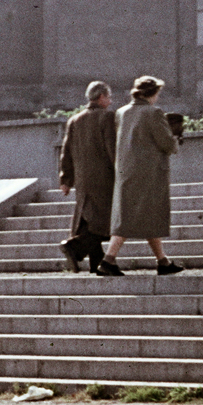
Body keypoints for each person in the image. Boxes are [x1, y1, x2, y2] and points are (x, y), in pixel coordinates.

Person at [99, 75, 184, 277]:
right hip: (148, 173)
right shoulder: (153, 113)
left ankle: (163, 261)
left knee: (144, 215)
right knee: (132, 217)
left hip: (127, 171)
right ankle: (108, 260)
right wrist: (175, 138)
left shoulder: (121, 112)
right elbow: (165, 143)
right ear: (152, 93)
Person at [57, 81, 118, 273]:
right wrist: (122, 173)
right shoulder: (107, 117)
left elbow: (66, 152)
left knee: (89, 222)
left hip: (83, 181)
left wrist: (66, 179)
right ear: (101, 98)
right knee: (103, 223)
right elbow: (113, 149)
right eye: (108, 96)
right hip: (104, 180)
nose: (110, 100)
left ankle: (98, 265)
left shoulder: (74, 120)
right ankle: (74, 247)